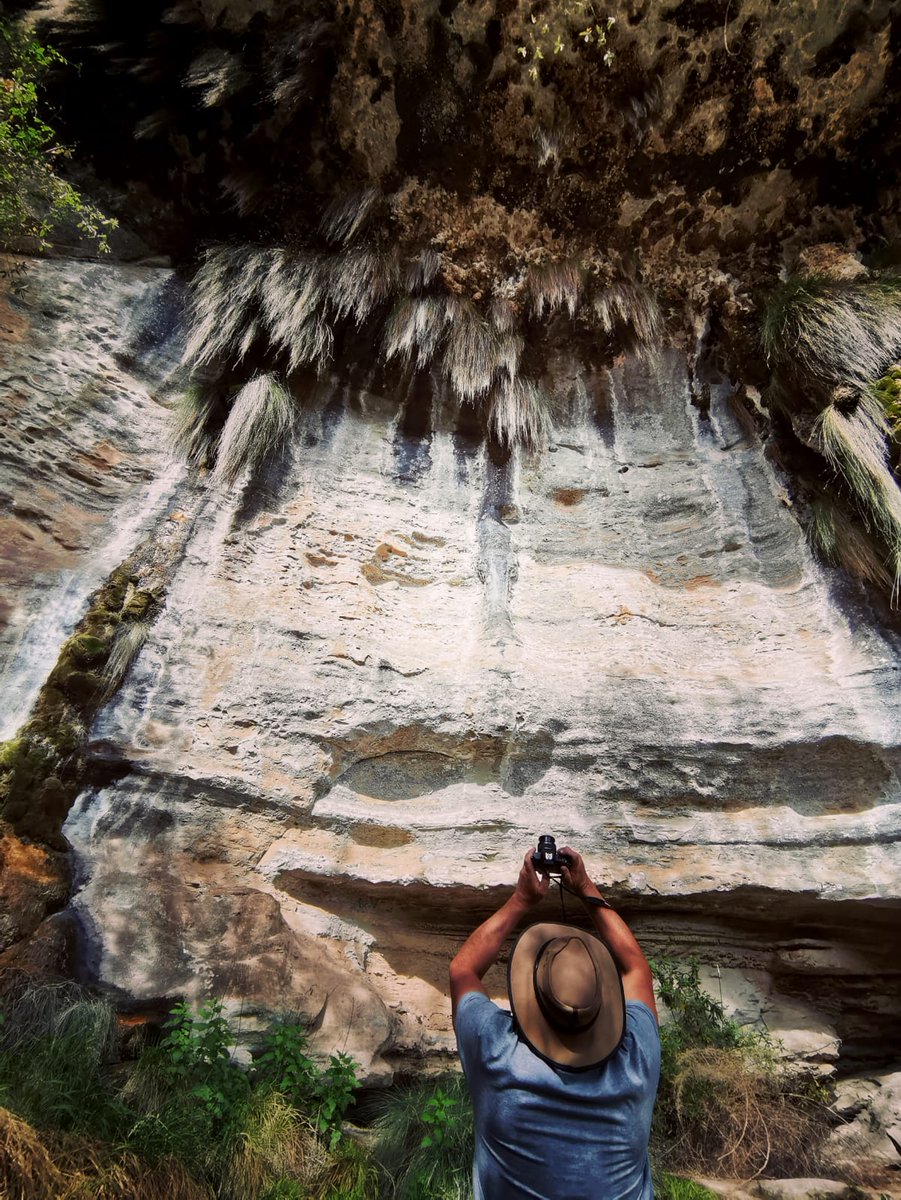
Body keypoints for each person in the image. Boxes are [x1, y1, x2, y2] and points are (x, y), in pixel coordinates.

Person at [450, 845, 660, 1200]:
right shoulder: (637, 1060)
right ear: (602, 1003)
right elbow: (636, 967)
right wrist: (585, 887)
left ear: (532, 995)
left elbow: (463, 970)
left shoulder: (497, 1055)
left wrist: (521, 899)